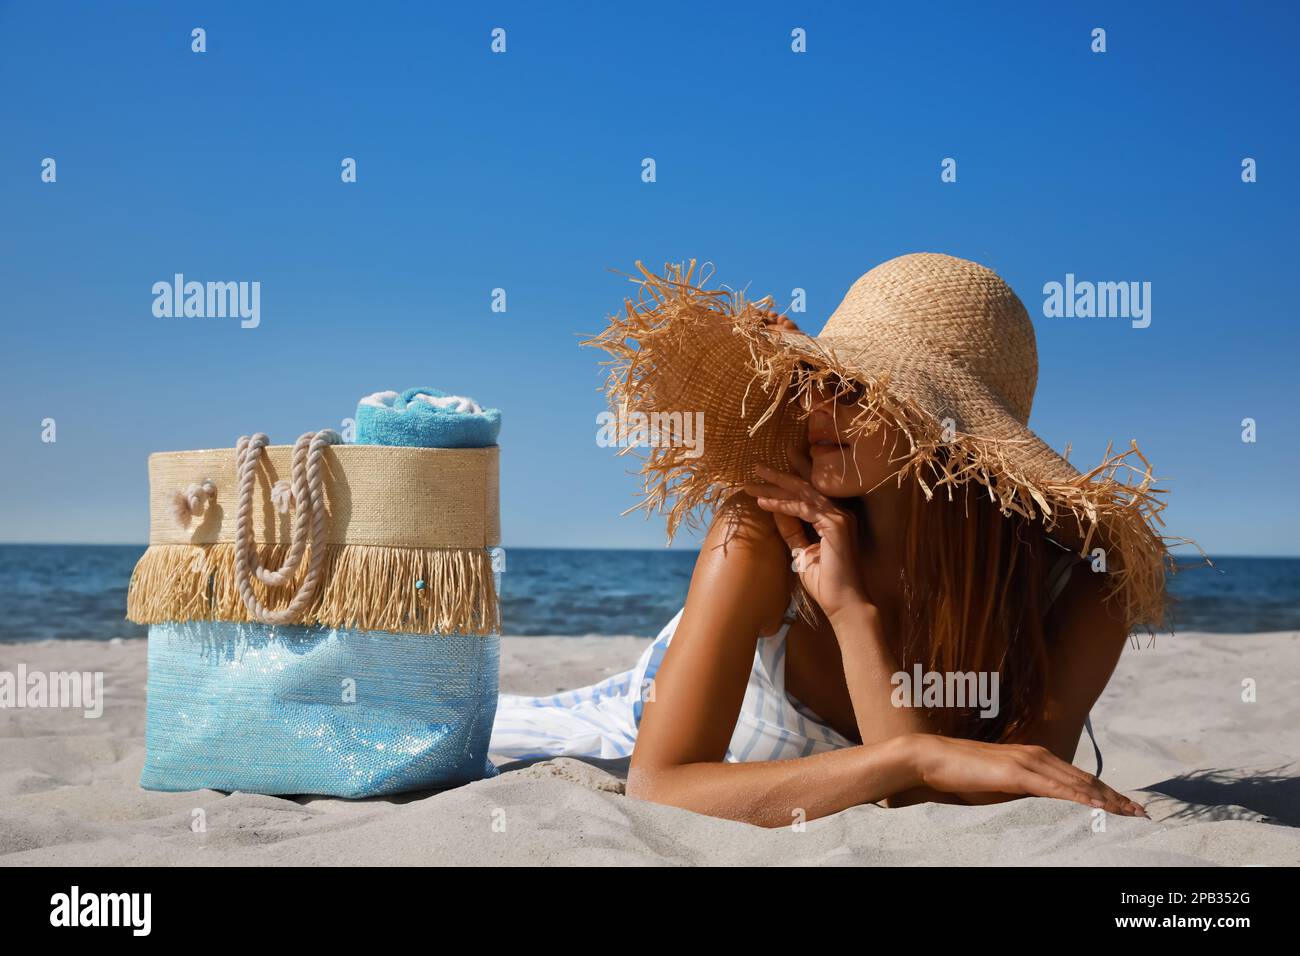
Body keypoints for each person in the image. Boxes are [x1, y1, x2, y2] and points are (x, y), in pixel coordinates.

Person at [492, 253, 1173, 828]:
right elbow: (658, 786)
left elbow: (965, 808)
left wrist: (852, 616)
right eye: (812, 378)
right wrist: (916, 754)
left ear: (950, 425)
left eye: (852, 386)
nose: (818, 407)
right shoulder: (764, 528)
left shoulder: (1082, 593)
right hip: (629, 721)